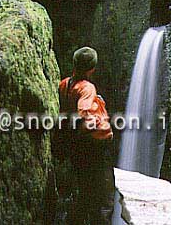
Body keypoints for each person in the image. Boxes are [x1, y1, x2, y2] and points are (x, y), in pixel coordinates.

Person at [58, 47, 115, 224]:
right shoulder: (87, 88)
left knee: (84, 193)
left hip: (77, 148)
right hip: (94, 149)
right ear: (92, 69)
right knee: (104, 198)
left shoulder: (65, 84)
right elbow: (83, 112)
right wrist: (102, 127)